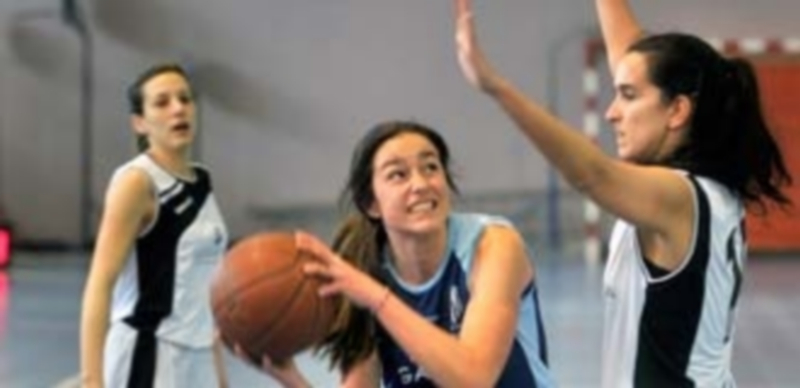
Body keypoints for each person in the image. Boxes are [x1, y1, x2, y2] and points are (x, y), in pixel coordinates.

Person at [453, 0, 792, 386]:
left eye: (628, 96)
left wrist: (496, 86)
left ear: (677, 111)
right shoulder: (709, 190)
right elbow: (633, 55)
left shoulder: (676, 199)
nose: (612, 112)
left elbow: (592, 175)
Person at [235, 121, 556, 387]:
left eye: (431, 167)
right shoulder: (367, 271)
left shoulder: (493, 246)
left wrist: (377, 298)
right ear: (372, 204)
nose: (420, 184)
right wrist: (292, 379)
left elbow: (474, 378)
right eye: (398, 175)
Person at [80, 63, 230, 388]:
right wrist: (93, 381)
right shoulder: (136, 182)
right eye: (162, 102)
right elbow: (100, 283)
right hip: (149, 353)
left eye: (185, 99)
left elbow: (202, 291)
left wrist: (219, 376)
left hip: (199, 356)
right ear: (139, 123)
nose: (178, 108)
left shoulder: (203, 181)